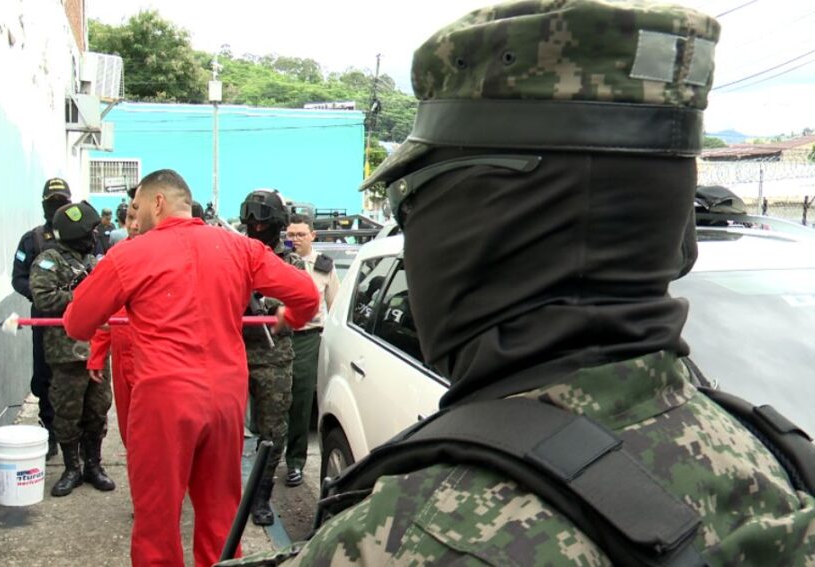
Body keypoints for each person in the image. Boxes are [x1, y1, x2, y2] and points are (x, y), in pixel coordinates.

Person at [219, 0, 815, 564]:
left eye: (411, 205)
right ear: (677, 236)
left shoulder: (417, 535)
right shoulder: (769, 455)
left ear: (476, 230)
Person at [62, 170, 319, 567]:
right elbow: (305, 292)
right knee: (221, 514)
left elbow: (77, 323)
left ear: (158, 203)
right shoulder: (238, 248)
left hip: (165, 400)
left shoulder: (129, 255)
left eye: (137, 207)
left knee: (157, 521)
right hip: (226, 399)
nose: (134, 217)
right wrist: (292, 317)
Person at [30, 201, 115, 497]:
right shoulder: (49, 261)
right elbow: (44, 298)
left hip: (97, 349)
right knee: (67, 412)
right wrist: (82, 294)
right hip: (66, 353)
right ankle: (71, 468)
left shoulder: (96, 262)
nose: (95, 234)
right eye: (91, 230)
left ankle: (93, 464)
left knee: (98, 409)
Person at [239, 188, 306, 526]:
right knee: (224, 430)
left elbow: (301, 303)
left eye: (262, 218)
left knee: (273, 431)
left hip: (274, 356)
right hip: (233, 353)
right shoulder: (234, 253)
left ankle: (261, 497)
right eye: (249, 216)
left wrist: (270, 305)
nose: (255, 225)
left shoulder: (290, 261)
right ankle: (228, 494)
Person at [10, 177, 71, 458]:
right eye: (53, 203)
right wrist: (41, 295)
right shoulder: (32, 239)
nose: (57, 208)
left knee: (80, 377)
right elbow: (18, 279)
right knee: (45, 377)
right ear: (44, 205)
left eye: (62, 203)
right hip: (45, 321)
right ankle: (49, 434)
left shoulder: (83, 235)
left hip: (77, 320)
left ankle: (79, 440)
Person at [283, 214, 340, 487]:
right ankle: (266, 458)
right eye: (291, 234)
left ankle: (295, 462)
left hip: (307, 338)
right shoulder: (278, 262)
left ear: (312, 236)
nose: (294, 239)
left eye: (300, 234)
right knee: (272, 402)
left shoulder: (323, 267)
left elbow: (335, 307)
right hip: (278, 336)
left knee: (301, 402)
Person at [87, 203, 141, 447]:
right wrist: (97, 355)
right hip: (123, 356)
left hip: (158, 359)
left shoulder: (173, 256)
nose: (132, 225)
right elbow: (105, 311)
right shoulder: (117, 257)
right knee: (131, 431)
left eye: (137, 218)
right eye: (129, 218)